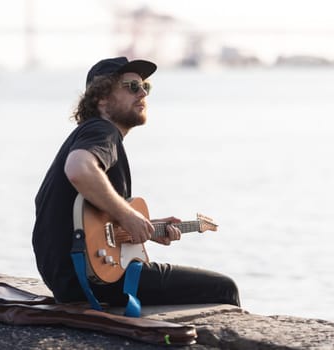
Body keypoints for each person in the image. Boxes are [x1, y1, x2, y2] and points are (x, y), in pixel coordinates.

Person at [32, 57, 240, 307]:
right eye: (131, 87)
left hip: (70, 279)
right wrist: (129, 216)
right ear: (102, 98)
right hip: (95, 279)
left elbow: (88, 225)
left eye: (145, 87)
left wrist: (145, 228)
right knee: (224, 288)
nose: (142, 93)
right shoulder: (102, 131)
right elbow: (79, 169)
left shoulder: (90, 135)